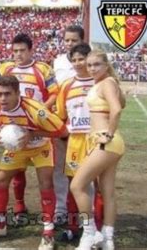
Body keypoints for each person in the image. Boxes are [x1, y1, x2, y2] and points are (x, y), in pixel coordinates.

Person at [0, 75, 66, 250]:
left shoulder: (35, 109)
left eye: (7, 94)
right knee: (1, 180)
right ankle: (0, 226)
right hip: (15, 150)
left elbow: (61, 130)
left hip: (40, 147)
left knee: (46, 183)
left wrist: (32, 134)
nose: (2, 98)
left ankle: (48, 233)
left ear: (17, 93)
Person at [0, 33, 58, 219]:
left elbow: (54, 94)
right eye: (15, 51)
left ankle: (51, 215)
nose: (18, 54)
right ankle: (19, 205)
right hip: (14, 127)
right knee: (17, 169)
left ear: (31, 50)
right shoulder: (6, 69)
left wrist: (37, 114)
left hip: (37, 128)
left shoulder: (43, 69)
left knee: (46, 178)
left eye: (22, 50)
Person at [71, 50, 125, 250]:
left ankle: (89, 233)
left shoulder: (107, 83)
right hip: (108, 143)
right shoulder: (107, 83)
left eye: (96, 65)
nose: (92, 68)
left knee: (77, 185)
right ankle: (107, 239)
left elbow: (117, 109)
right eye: (89, 65)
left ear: (106, 65)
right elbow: (122, 103)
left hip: (107, 142)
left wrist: (108, 134)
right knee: (107, 192)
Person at [55, 43, 94, 241]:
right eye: (75, 60)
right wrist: (64, 135)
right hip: (75, 142)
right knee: (74, 185)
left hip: (97, 141)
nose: (79, 63)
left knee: (100, 185)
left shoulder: (100, 82)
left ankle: (97, 228)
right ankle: (73, 226)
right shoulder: (66, 86)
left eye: (82, 59)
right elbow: (61, 116)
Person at [52, 25, 86, 223]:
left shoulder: (89, 62)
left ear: (82, 40)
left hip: (84, 124)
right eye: (67, 40)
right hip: (62, 120)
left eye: (74, 40)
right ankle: (61, 208)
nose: (70, 44)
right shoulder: (57, 62)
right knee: (60, 167)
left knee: (83, 171)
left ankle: (84, 212)